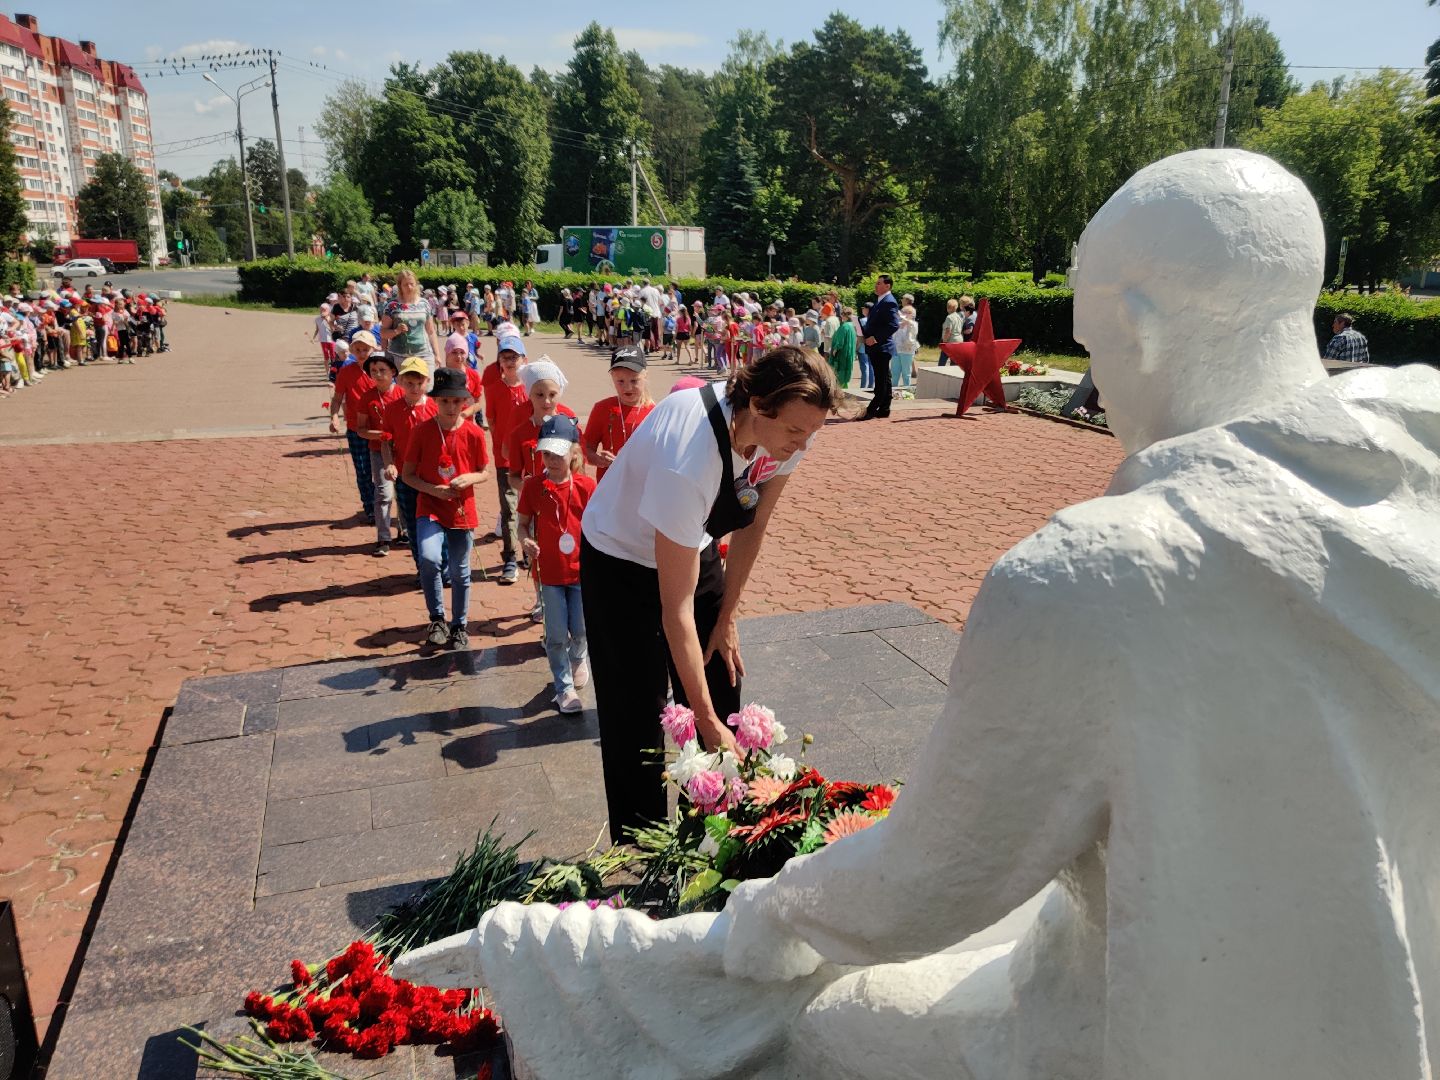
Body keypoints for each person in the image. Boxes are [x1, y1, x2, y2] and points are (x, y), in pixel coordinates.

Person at [578, 346, 842, 843]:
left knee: (722, 673)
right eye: (794, 431)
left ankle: (718, 833)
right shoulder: (690, 455)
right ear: (759, 404)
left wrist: (727, 615)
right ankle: (644, 845)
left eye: (812, 432)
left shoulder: (786, 433)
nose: (803, 444)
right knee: (639, 708)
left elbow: (754, 522)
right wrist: (701, 716)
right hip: (620, 556)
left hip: (691, 543)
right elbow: (673, 608)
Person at [401, 366, 490, 651]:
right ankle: (437, 618)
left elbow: (484, 471)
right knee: (429, 559)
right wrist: (433, 489)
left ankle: (459, 625)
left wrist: (471, 478)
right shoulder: (422, 431)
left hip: (462, 510)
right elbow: (408, 475)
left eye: (456, 400)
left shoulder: (474, 433)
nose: (451, 407)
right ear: (435, 401)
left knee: (461, 570)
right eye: (444, 401)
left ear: (465, 401)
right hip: (430, 506)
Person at [517, 414, 596, 715]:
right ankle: (563, 688)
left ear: (574, 451)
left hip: (580, 573)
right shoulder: (533, 486)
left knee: (580, 627)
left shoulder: (587, 486)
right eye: (546, 453)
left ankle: (579, 657)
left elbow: (598, 527)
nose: (551, 460)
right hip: (549, 574)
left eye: (558, 453)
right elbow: (522, 524)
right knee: (555, 633)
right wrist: (525, 541)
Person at [382, 357, 437, 568]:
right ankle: (421, 568)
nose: (415, 388)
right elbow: (386, 441)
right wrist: (389, 464)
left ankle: (441, 567)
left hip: (433, 477)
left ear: (427, 381)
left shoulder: (435, 407)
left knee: (437, 521)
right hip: (407, 477)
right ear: (400, 381)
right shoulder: (392, 409)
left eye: (419, 383)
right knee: (413, 524)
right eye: (409, 383)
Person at [487, 333, 530, 585]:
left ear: (524, 359)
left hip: (531, 460)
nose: (510, 361)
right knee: (508, 509)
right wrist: (504, 448)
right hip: (504, 460)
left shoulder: (531, 388)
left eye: (514, 356)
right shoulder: (493, 390)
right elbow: (492, 423)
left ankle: (529, 553)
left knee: (530, 508)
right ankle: (510, 558)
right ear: (499, 362)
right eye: (505, 357)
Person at [583, 346, 657, 482]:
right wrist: (599, 460)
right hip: (609, 487)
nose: (627, 387)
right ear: (612, 378)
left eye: (634, 381)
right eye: (620, 381)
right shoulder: (602, 409)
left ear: (645, 376)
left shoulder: (656, 412)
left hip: (642, 487)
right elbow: (586, 448)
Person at [356, 352, 404, 555]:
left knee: (404, 492)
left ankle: (405, 531)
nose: (378, 374)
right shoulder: (367, 397)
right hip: (378, 452)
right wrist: (380, 435)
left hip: (402, 452)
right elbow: (360, 428)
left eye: (382, 370)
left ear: (393, 372)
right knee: (383, 493)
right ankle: (383, 537)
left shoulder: (402, 393)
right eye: (373, 371)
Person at [329, 330, 379, 522]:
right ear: (351, 350)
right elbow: (337, 398)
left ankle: (385, 505)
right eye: (357, 349)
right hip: (356, 428)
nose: (361, 353)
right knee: (363, 470)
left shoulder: (379, 370)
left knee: (385, 471)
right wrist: (334, 417)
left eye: (365, 349)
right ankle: (370, 507)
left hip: (378, 429)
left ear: (372, 349)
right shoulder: (346, 372)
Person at [382, 268, 441, 373]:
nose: (409, 287)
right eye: (405, 284)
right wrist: (396, 331)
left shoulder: (425, 304)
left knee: (427, 386)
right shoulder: (392, 306)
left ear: (416, 284)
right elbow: (383, 333)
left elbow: (431, 332)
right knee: (404, 389)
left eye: (411, 284)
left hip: (423, 354)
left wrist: (437, 354)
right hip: (398, 357)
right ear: (400, 286)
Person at [861, 274, 900, 420]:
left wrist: (876, 338)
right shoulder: (881, 301)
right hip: (877, 347)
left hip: (882, 347)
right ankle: (884, 409)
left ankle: (872, 409)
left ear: (887, 286)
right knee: (885, 378)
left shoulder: (889, 302)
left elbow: (894, 325)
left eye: (879, 283)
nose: (876, 286)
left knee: (881, 380)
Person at [892, 299, 919, 392]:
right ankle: (892, 391)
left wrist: (906, 321)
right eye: (903, 312)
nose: (903, 315)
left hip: (907, 351)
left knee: (906, 373)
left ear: (911, 314)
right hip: (896, 350)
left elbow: (912, 330)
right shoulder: (899, 324)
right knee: (895, 373)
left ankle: (907, 391)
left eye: (906, 313)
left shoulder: (914, 324)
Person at [827, 308, 856, 391]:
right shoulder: (851, 326)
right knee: (847, 369)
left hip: (842, 353)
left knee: (839, 370)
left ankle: (839, 390)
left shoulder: (844, 326)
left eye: (842, 315)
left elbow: (840, 340)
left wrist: (835, 349)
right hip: (849, 353)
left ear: (845, 315)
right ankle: (845, 388)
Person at [939, 298, 964, 366]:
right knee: (954, 361)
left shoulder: (949, 317)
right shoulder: (959, 316)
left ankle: (939, 372)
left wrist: (944, 341)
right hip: (959, 340)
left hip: (951, 340)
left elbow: (948, 330)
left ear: (948, 308)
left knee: (942, 361)